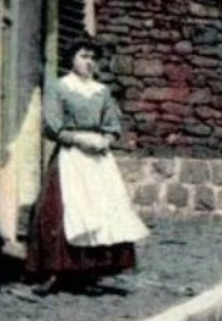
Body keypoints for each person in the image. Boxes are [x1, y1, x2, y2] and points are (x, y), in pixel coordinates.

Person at [25, 36, 148, 294]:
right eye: (83, 56)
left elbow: (113, 125)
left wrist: (105, 140)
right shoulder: (60, 88)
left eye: (92, 58)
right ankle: (55, 272)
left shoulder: (101, 92)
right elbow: (52, 124)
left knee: (100, 210)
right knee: (62, 210)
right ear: (72, 59)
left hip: (98, 160)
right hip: (71, 155)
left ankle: (88, 274)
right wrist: (76, 139)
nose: (88, 62)